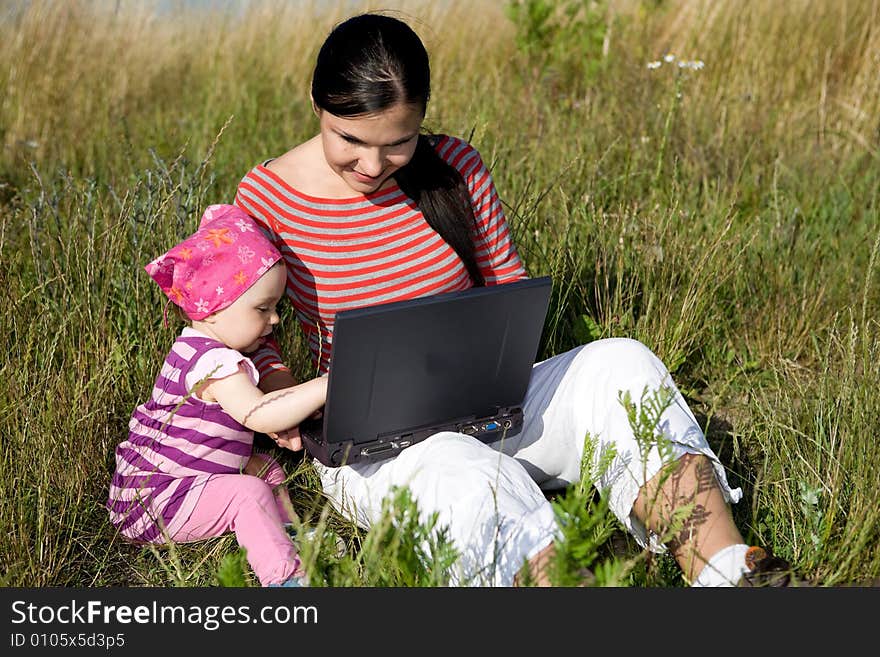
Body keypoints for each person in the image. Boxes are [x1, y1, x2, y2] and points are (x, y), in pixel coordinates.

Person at [233, 12, 799, 587]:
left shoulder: (454, 168)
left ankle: (730, 572)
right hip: (373, 451)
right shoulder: (266, 196)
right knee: (462, 469)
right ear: (317, 106)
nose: (373, 167)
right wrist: (279, 387)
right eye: (349, 140)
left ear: (422, 118)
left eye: (398, 144)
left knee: (621, 364)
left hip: (489, 409)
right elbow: (252, 332)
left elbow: (507, 290)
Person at [106, 204, 328, 587]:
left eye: (276, 307)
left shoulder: (196, 347)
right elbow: (257, 414)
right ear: (210, 309)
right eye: (263, 308)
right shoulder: (215, 364)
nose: (274, 320)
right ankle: (286, 578)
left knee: (264, 469)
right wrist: (326, 384)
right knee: (248, 493)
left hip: (160, 484)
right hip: (157, 501)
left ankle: (287, 535)